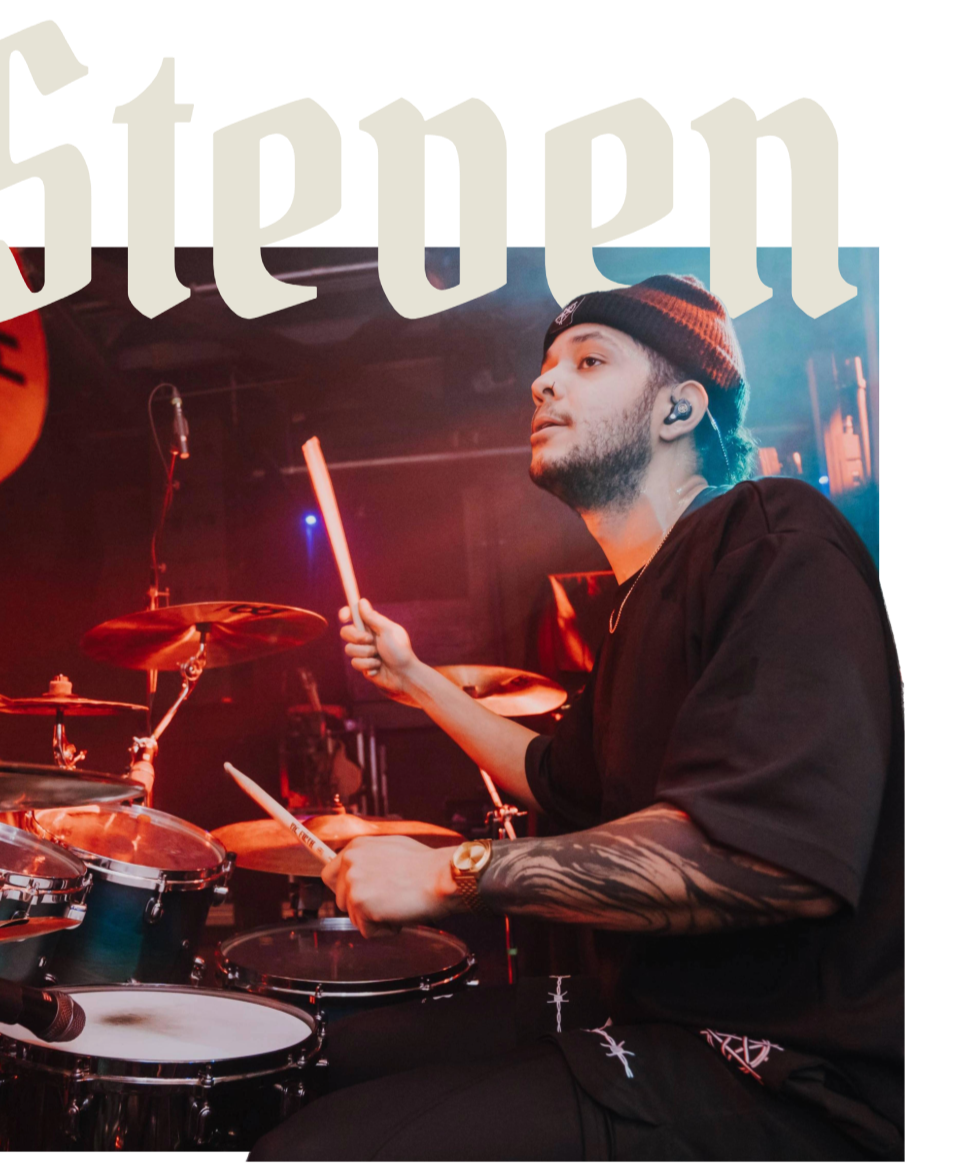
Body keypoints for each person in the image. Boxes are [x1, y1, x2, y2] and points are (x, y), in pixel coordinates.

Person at [248, 275, 903, 1163]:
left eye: (589, 362)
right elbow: (556, 776)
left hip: (793, 1077)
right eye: (548, 365)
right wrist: (415, 680)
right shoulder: (637, 607)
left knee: (309, 1155)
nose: (543, 382)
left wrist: (451, 873)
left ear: (679, 409)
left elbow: (766, 860)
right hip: (654, 1024)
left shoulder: (770, 537)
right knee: (318, 1061)